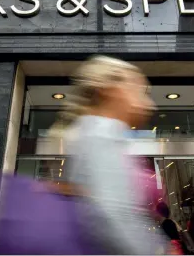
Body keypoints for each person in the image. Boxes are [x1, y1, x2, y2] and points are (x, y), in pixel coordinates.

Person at [51, 55, 165, 254]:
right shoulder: (99, 136)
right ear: (110, 90)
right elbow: (112, 219)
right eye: (138, 89)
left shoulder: (99, 133)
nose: (149, 104)